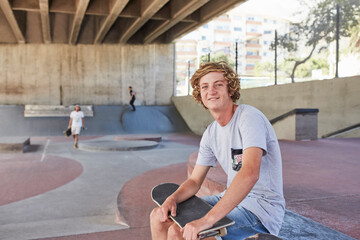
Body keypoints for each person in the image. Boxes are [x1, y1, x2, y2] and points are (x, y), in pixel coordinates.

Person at [150, 62, 285, 240]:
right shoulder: (211, 133)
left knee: (180, 232)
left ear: (230, 90)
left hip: (260, 209)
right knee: (158, 217)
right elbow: (195, 180)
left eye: (218, 85)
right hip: (231, 201)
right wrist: (172, 199)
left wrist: (206, 220)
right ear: (200, 95)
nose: (211, 91)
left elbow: (250, 173)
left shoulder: (249, 117)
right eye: (205, 87)